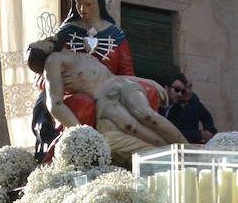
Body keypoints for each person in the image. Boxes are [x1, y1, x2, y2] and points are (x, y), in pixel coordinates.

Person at [33, 0, 147, 157]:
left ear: (99, 4)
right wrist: (60, 81)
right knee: (83, 103)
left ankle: (164, 148)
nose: (83, 9)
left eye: (88, 4)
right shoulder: (66, 33)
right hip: (72, 93)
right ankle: (80, 148)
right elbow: (42, 73)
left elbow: (127, 73)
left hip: (109, 90)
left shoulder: (116, 36)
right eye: (78, 4)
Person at [27, 39, 182, 162]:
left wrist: (150, 81)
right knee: (132, 127)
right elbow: (55, 104)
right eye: (42, 42)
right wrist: (83, 133)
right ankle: (170, 154)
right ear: (47, 50)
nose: (47, 38)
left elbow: (111, 76)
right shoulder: (54, 60)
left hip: (122, 85)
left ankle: (186, 147)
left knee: (148, 115)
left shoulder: (78, 54)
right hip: (104, 99)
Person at [162, 73, 217, 144]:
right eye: (184, 89)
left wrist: (210, 133)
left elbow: (206, 117)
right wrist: (199, 134)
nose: (188, 91)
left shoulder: (193, 99)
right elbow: (174, 132)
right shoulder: (171, 105)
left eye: (190, 87)